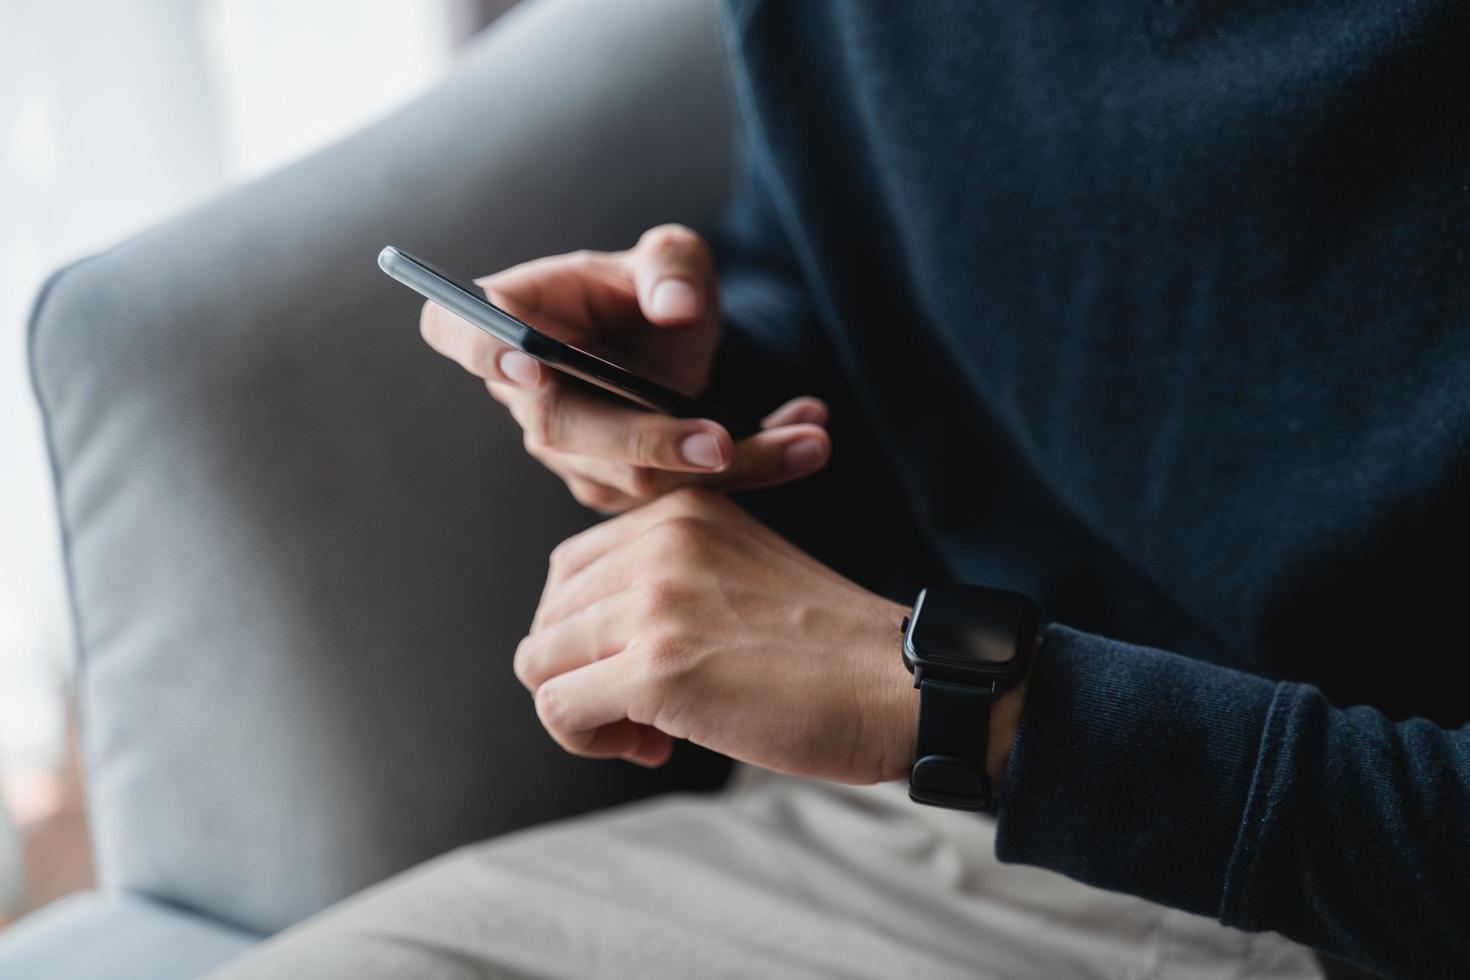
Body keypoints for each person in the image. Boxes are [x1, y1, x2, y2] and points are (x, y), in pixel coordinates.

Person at [213, 2, 1469, 977]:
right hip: (961, 825)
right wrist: (708, 383)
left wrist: (967, 704)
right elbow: (829, 267)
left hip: (1372, 862)